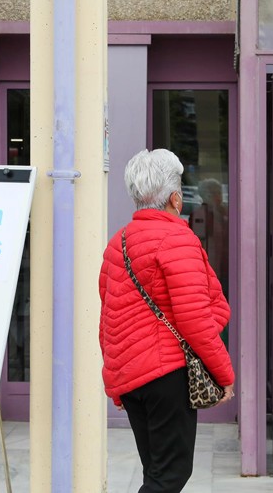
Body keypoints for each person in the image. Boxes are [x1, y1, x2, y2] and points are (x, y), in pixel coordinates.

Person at [99, 149, 236, 493]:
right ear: (176, 198)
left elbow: (109, 315)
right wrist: (223, 374)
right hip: (165, 377)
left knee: (156, 473)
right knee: (170, 475)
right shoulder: (177, 239)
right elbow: (195, 320)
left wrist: (117, 379)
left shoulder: (118, 243)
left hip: (133, 376)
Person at [188, 177, 229, 292]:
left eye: (219, 192)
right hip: (210, 268)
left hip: (225, 266)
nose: (219, 196)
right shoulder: (200, 214)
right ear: (207, 195)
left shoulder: (224, 211)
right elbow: (200, 243)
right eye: (215, 193)